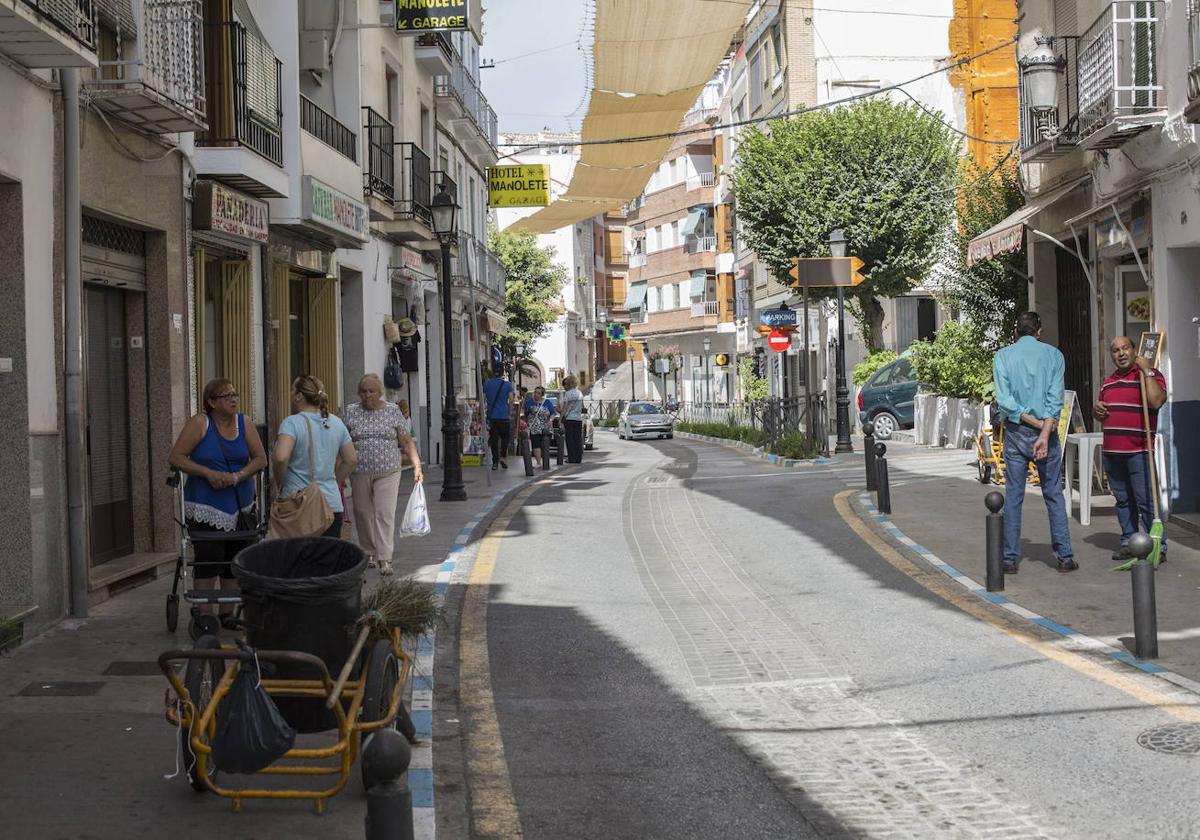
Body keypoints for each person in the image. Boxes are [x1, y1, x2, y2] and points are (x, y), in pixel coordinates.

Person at [169, 378, 268, 628]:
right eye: (226, 396)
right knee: (209, 558)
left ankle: (226, 614)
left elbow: (260, 459)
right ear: (211, 402)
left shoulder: (244, 423)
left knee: (234, 560)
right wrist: (207, 473)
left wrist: (239, 475)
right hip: (206, 505)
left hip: (241, 504)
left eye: (235, 394)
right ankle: (205, 614)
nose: (233, 399)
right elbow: (177, 457)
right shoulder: (200, 423)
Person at [992, 311, 1076, 573]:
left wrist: (1032, 423)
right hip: (1047, 436)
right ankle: (1064, 557)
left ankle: (1009, 559)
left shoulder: (1003, 356)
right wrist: (1044, 430)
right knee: (1053, 494)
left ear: (1015, 332)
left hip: (1016, 433)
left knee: (1014, 495)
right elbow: (1055, 400)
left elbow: (1004, 401)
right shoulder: (1054, 356)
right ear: (1039, 331)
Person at [1094, 336, 1168, 563]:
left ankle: (1158, 546)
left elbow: (1156, 402)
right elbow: (1101, 413)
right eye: (1115, 350)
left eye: (1125, 348)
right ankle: (1128, 541)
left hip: (1139, 451)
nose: (1121, 353)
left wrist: (1147, 371)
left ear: (1134, 350)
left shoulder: (1149, 376)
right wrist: (1097, 411)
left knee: (1146, 501)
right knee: (1123, 501)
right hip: (1113, 453)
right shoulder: (1108, 383)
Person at [345, 374, 423, 575]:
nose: (367, 395)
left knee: (384, 512)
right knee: (362, 512)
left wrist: (417, 466)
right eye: (363, 391)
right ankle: (369, 551)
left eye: (371, 391)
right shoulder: (352, 411)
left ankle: (385, 558)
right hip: (359, 470)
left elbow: (406, 440)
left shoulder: (392, 410)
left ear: (380, 393)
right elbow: (343, 440)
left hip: (388, 470)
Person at [271, 375, 357, 538]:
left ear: (299, 396)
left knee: (298, 560)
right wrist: (333, 480)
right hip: (332, 505)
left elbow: (281, 457)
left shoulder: (292, 423)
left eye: (292, 390)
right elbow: (351, 459)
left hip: (299, 506)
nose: (290, 393)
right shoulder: (336, 422)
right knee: (327, 561)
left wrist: (280, 482)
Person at [482, 366, 515, 470]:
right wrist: (510, 412)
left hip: (492, 417)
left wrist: (482, 414)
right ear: (502, 373)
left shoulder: (487, 384)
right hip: (503, 416)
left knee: (494, 440)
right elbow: (511, 400)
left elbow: (483, 400)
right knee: (506, 438)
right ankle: (503, 456)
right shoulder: (507, 385)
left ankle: (495, 462)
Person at [521, 385, 557, 467]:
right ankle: (538, 462)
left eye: (538, 393)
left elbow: (553, 413)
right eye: (535, 392)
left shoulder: (547, 402)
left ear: (542, 395)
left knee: (544, 444)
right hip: (534, 427)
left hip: (545, 427)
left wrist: (550, 421)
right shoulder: (529, 402)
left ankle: (545, 461)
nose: (536, 394)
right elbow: (526, 414)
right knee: (536, 444)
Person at [560, 374, 585, 464]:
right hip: (578, 419)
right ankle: (578, 458)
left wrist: (561, 417)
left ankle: (571, 458)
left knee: (569, 439)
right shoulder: (580, 393)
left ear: (569, 384)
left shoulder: (568, 394)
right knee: (578, 439)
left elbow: (565, 407)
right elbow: (582, 406)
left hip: (569, 419)